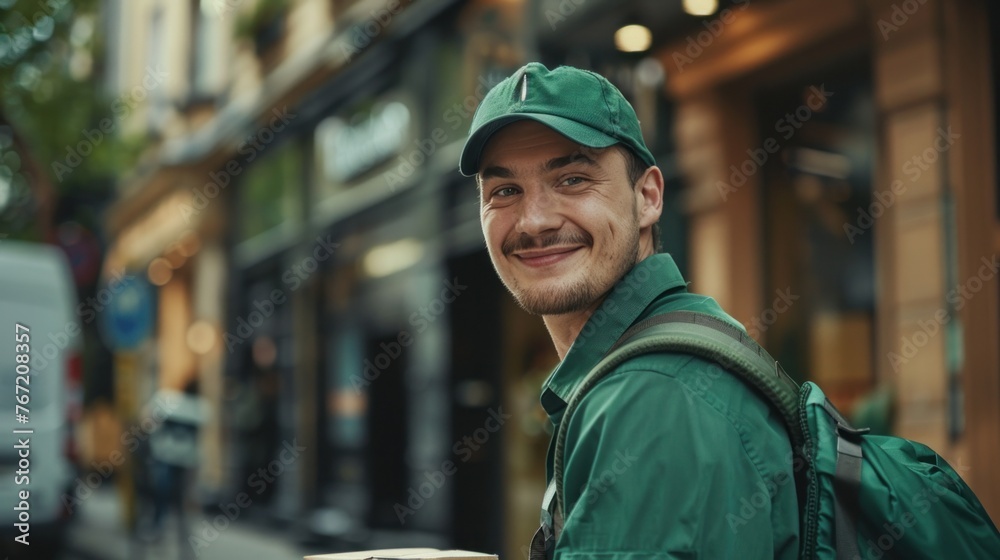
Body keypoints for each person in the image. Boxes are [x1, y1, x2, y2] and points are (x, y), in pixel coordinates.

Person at [459, 62, 800, 559]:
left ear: (648, 197)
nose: (534, 221)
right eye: (505, 191)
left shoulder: (648, 397)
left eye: (573, 179)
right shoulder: (647, 365)